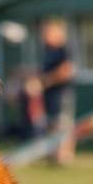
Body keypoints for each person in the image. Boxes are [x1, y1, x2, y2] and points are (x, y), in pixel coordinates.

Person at [40, 21, 75, 164]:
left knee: (62, 125)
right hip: (49, 96)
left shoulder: (64, 50)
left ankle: (64, 157)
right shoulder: (47, 51)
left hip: (62, 95)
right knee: (50, 125)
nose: (44, 36)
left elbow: (67, 71)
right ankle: (52, 155)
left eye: (48, 33)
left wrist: (46, 81)